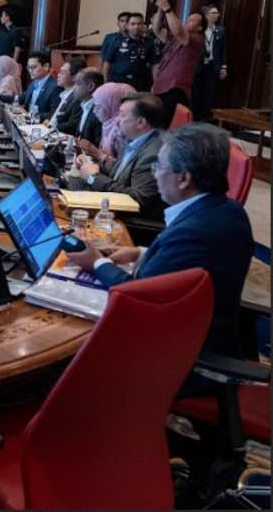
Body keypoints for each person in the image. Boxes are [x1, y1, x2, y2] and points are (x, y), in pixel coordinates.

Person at [66, 123, 252, 393]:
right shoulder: (227, 209)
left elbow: (138, 297)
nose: (154, 176)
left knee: (74, 354)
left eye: (158, 168)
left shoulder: (193, 232)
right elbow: (189, 265)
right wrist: (139, 252)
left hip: (183, 359)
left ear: (184, 178)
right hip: (200, 332)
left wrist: (97, 262)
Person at [68, 92, 165, 220]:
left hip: (129, 223)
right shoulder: (136, 139)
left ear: (141, 122)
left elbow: (136, 200)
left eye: (122, 115)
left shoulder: (155, 153)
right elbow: (121, 172)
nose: (117, 119)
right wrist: (91, 165)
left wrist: (93, 178)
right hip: (112, 208)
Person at [150, 0, 204, 100]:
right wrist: (160, 9)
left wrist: (167, 8)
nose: (187, 21)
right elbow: (156, 30)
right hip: (161, 83)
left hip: (176, 87)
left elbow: (179, 31)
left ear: (199, 28)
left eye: (192, 20)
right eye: (188, 18)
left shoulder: (197, 38)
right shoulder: (175, 37)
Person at [80, 81, 138, 162]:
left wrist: (97, 154)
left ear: (112, 104)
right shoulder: (108, 123)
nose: (94, 111)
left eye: (98, 106)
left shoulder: (121, 129)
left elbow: (122, 169)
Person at [191, 4, 227, 122]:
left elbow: (223, 50)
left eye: (217, 13)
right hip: (198, 66)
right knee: (196, 93)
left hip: (212, 65)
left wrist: (223, 67)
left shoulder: (220, 30)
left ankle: (204, 119)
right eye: (214, 13)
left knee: (209, 94)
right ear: (206, 15)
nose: (217, 15)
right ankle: (193, 118)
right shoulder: (199, 30)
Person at [102, 12, 156, 91]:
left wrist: (155, 84)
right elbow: (107, 63)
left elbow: (154, 65)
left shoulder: (149, 42)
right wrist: (105, 83)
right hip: (117, 82)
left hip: (140, 83)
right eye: (133, 24)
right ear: (127, 26)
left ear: (143, 25)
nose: (136, 27)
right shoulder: (116, 41)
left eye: (139, 24)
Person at [59, 68, 104, 145]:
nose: (74, 88)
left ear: (90, 86)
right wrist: (73, 140)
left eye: (78, 83)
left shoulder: (98, 112)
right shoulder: (84, 105)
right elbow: (81, 138)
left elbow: (95, 147)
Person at [18, 51, 62, 121]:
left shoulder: (55, 87)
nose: (30, 70)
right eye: (28, 67)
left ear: (46, 66)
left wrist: (29, 115)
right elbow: (21, 98)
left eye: (33, 67)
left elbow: (53, 114)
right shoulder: (33, 83)